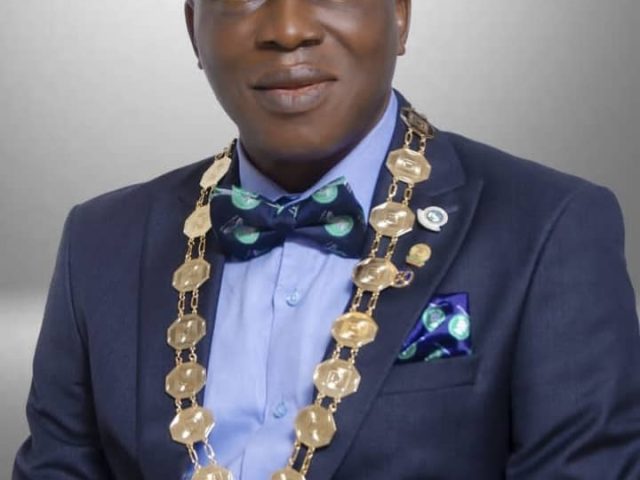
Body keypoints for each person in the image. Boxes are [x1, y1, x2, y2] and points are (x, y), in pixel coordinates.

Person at [13, 1, 640, 479]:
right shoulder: (102, 243)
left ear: (400, 14)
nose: (288, 29)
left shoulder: (547, 228)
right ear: (192, 30)